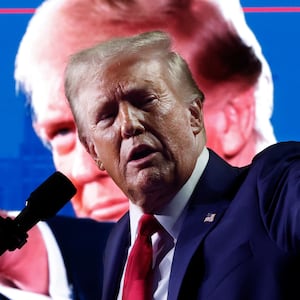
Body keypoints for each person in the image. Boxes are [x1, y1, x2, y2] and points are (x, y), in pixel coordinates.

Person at [0, 0, 277, 298]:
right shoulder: (124, 243)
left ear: (227, 115)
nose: (81, 171)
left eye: (145, 102)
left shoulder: (273, 190)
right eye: (63, 132)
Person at [64, 30, 300, 300]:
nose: (129, 124)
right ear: (93, 150)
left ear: (194, 115)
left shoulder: (270, 188)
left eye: (145, 101)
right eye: (106, 116)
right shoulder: (118, 243)